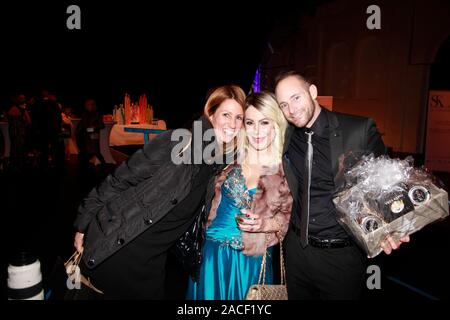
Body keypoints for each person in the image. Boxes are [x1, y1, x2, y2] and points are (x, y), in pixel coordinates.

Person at [73, 85, 246, 299]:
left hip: (152, 262)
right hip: (122, 248)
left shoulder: (216, 164)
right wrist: (84, 222)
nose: (233, 123)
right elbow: (120, 179)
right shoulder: (179, 142)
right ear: (210, 113)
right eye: (226, 114)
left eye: (239, 117)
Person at [274, 71, 410, 299]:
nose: (291, 109)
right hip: (297, 252)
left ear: (313, 92)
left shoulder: (358, 129)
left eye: (296, 98)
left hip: (341, 256)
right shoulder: (287, 135)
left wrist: (392, 228)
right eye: (284, 104)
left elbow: (388, 184)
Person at [187, 91, 292, 300]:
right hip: (212, 257)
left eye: (264, 122)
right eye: (250, 122)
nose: (256, 131)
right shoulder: (227, 159)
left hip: (250, 262)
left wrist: (265, 225)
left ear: (276, 125)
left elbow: (288, 220)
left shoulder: (286, 172)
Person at [76, 99, 106, 166]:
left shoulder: (97, 114)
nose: (87, 106)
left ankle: (104, 165)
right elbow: (83, 124)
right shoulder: (85, 114)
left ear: (93, 105)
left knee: (95, 151)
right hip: (86, 136)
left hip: (94, 136)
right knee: (89, 152)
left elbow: (102, 125)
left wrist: (93, 128)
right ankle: (104, 165)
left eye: (88, 105)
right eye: (86, 105)